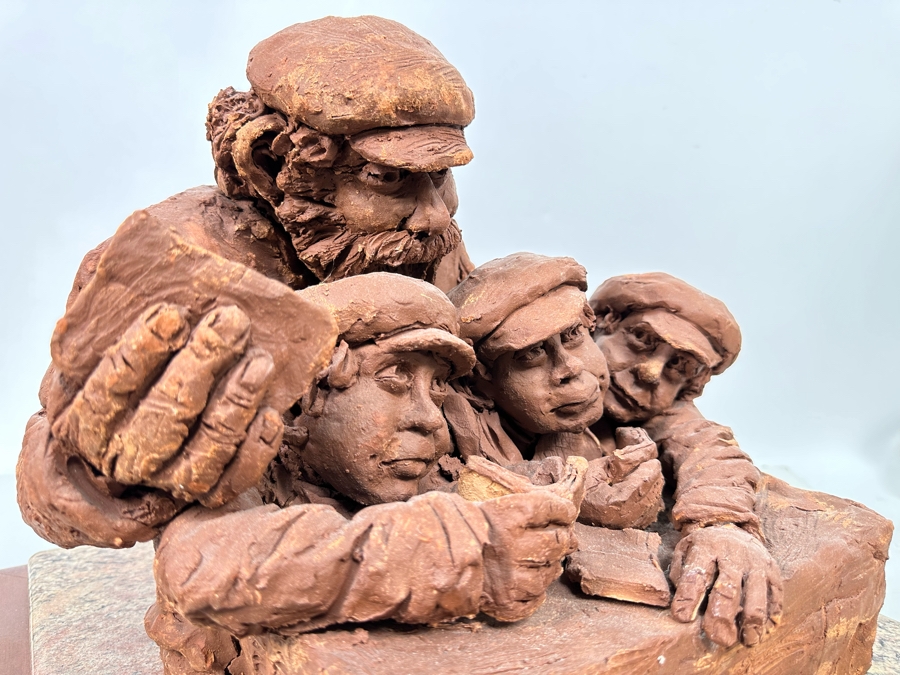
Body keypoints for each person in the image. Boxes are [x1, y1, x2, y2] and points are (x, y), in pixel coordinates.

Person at [18, 15, 479, 546]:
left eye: (441, 177)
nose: (434, 215)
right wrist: (99, 479)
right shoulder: (174, 261)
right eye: (386, 178)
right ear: (268, 163)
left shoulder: (424, 243)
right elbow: (54, 474)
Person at [145, 274, 581, 674]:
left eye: (437, 387)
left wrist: (554, 485)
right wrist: (461, 553)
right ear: (301, 396)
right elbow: (197, 566)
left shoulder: (406, 472)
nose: (429, 419)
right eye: (394, 378)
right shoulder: (236, 463)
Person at [589, 272, 783, 648]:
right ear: (603, 322)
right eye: (641, 339)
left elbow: (708, 448)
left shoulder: (658, 414)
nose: (649, 373)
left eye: (679, 366)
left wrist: (722, 523)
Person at [442, 252, 665, 530]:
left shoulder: (627, 405)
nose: (569, 367)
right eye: (532, 353)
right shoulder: (441, 445)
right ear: (478, 384)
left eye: (573, 335)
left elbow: (698, 437)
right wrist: (585, 485)